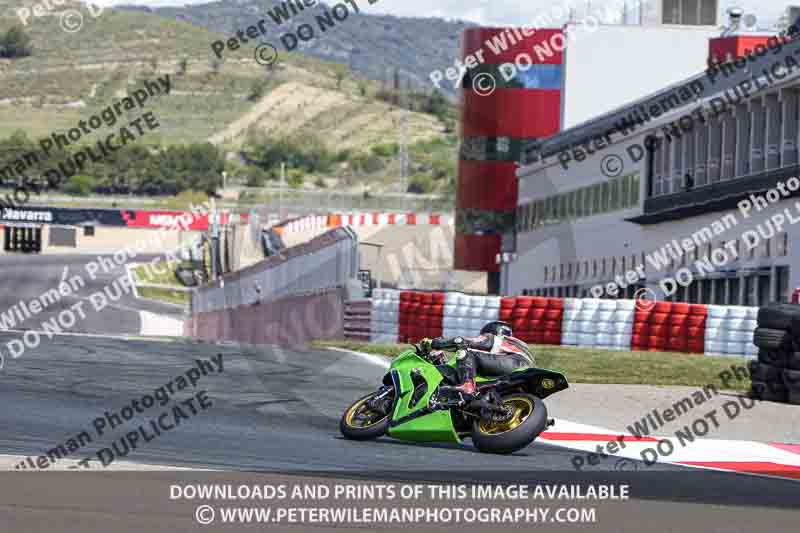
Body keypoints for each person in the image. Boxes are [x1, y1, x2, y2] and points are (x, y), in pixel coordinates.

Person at [419, 321, 534, 402]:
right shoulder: (513, 344)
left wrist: (435, 343)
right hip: (522, 373)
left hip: (513, 363)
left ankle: (467, 385)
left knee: (466, 352)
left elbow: (460, 341)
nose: (481, 336)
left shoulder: (496, 337)